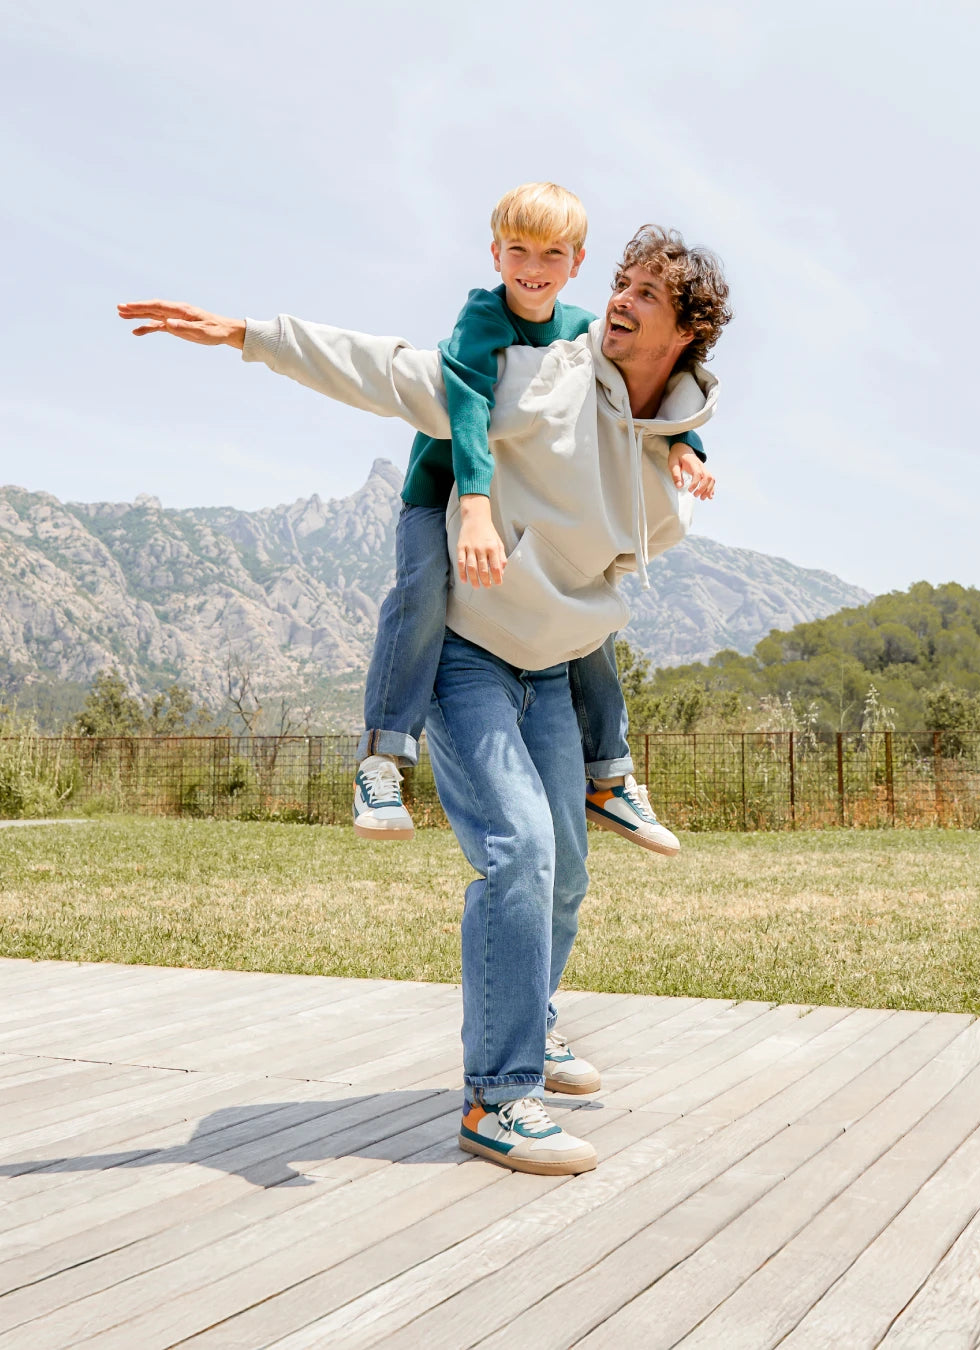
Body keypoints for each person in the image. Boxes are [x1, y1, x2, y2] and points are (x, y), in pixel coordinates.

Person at [117, 223, 733, 1173]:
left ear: (686, 332)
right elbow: (399, 371)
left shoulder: (676, 457)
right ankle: (498, 1098)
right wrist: (248, 334)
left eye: (648, 292)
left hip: (555, 671)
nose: (621, 295)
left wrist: (667, 464)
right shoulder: (542, 374)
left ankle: (534, 1022)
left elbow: (620, 546)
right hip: (467, 654)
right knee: (519, 852)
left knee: (564, 870)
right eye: (623, 279)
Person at [353, 183, 714, 857]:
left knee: (587, 604)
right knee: (423, 592)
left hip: (505, 509)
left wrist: (688, 448)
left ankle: (608, 775)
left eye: (552, 252)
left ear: (575, 261)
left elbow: (658, 386)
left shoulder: (583, 328)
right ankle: (382, 758)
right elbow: (466, 418)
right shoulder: (482, 319)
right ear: (495, 253)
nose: (533, 266)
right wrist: (477, 508)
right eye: (518, 250)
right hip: (442, 493)